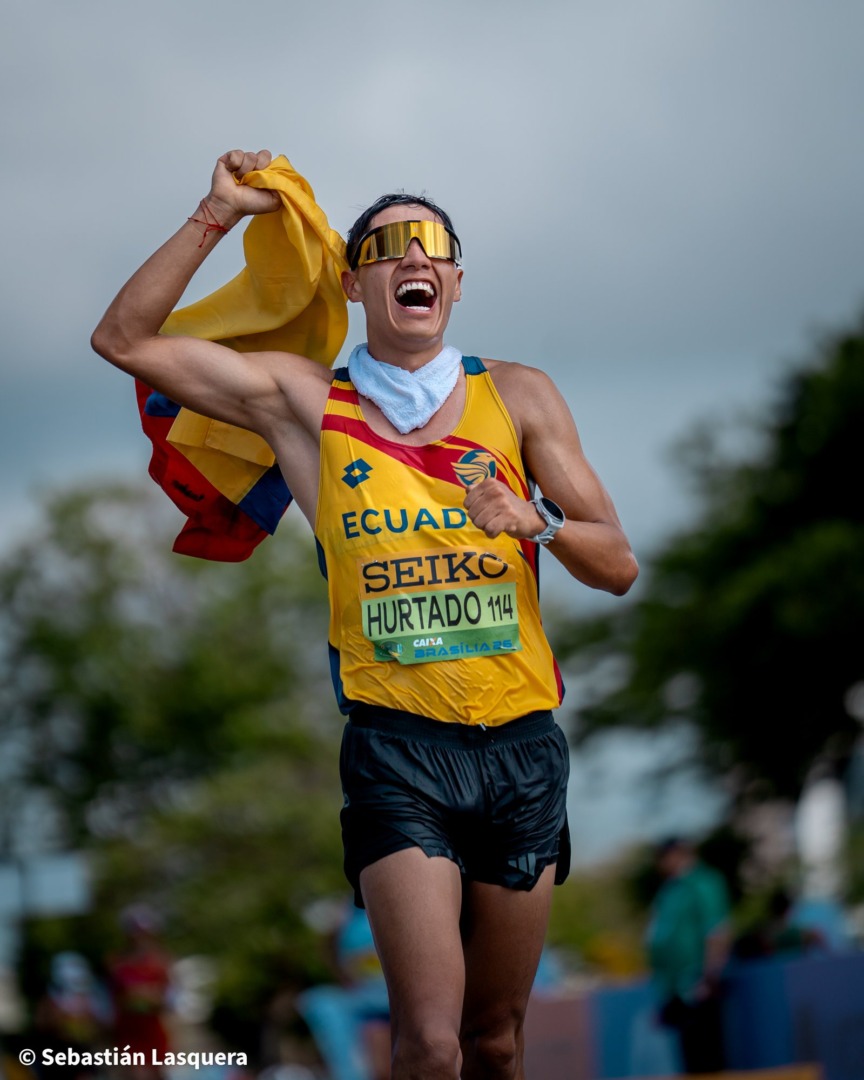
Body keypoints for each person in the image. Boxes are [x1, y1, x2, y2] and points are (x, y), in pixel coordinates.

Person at [92, 148, 638, 1080]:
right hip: (398, 752)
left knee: (495, 1042)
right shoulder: (306, 403)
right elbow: (124, 340)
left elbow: (618, 563)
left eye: (432, 245)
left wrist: (534, 521)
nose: (412, 256)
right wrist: (217, 212)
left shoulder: (519, 395)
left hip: (522, 748)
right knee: (429, 1045)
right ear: (355, 283)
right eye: (387, 246)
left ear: (456, 281)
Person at [646, 837, 732, 1075]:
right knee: (690, 1059)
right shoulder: (669, 890)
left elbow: (717, 930)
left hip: (699, 984)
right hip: (676, 989)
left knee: (709, 1057)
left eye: (664, 857)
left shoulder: (703, 882)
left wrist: (709, 976)